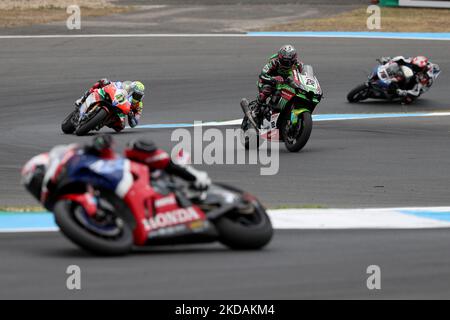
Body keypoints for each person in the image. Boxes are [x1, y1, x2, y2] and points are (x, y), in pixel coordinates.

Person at [124, 138, 211, 191]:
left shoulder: (159, 159)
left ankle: (197, 180)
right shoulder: (125, 165)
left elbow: (174, 168)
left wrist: (194, 178)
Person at [75, 78, 145, 132]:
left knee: (120, 126)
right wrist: (107, 82)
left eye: (138, 96)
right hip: (112, 99)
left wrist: (131, 115)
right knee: (101, 82)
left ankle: (101, 122)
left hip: (120, 111)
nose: (135, 97)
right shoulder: (121, 86)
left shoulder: (138, 105)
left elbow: (134, 124)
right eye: (134, 93)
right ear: (130, 88)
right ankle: (82, 99)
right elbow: (113, 84)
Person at [255, 44, 303, 117]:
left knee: (296, 92)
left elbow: (302, 76)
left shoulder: (298, 65)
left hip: (285, 81)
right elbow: (262, 75)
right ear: (280, 58)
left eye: (289, 61)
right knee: (266, 90)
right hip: (269, 80)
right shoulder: (274, 62)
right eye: (285, 61)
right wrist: (273, 78)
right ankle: (256, 110)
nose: (287, 63)